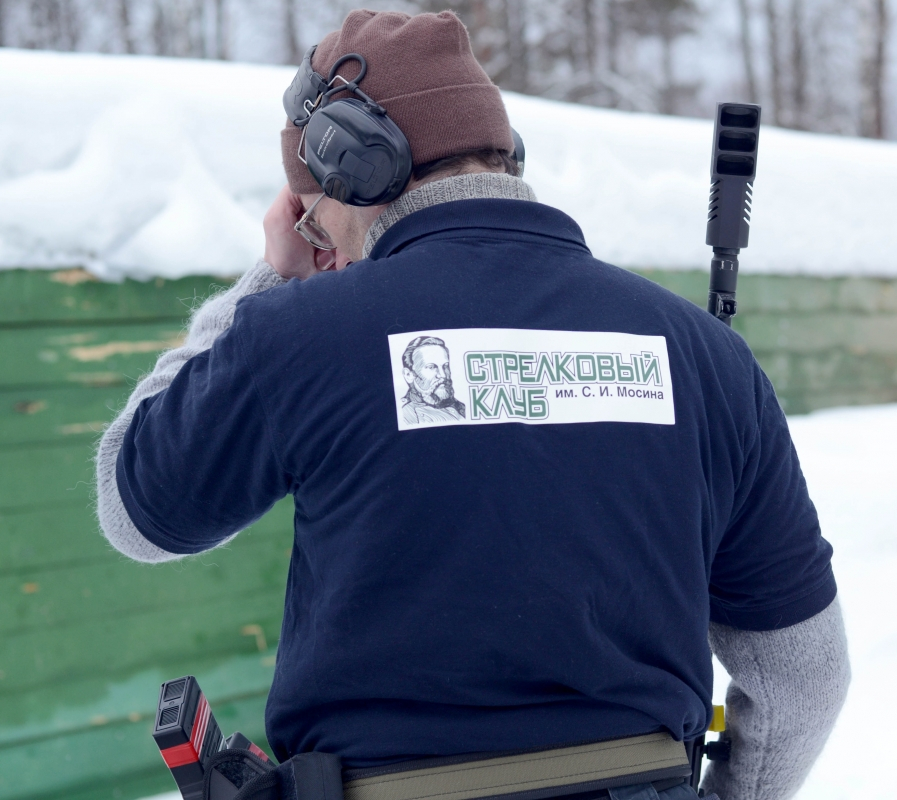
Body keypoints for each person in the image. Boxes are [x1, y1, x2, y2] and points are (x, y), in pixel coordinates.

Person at [94, 10, 850, 800]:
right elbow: (804, 679)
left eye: (314, 213)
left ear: (358, 168)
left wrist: (272, 282)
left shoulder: (298, 332)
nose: (324, 244)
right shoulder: (705, 356)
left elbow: (135, 509)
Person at [398, 335, 466, 425]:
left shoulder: (461, 407)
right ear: (409, 375)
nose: (443, 375)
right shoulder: (405, 415)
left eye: (445, 366)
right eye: (431, 367)